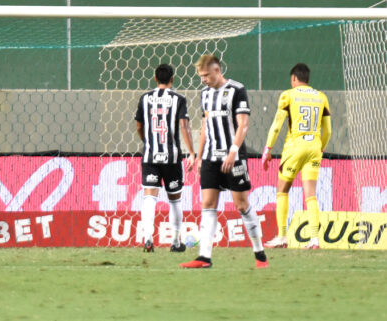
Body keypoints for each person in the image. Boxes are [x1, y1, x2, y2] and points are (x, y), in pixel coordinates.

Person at [180, 54, 268, 269]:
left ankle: (260, 255)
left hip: (233, 158)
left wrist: (233, 151)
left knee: (242, 205)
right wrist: (199, 156)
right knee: (208, 204)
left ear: (217, 70)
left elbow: (243, 124)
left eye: (206, 75)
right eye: (201, 76)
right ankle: (204, 257)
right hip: (210, 157)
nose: (204, 79)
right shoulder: (205, 93)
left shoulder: (237, 90)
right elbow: (205, 126)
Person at [262, 63, 332, 250]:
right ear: (307, 79)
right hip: (315, 147)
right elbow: (328, 131)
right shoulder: (321, 97)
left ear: (294, 78)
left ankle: (282, 236)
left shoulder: (288, 95)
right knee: (311, 195)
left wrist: (267, 149)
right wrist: (321, 148)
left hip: (295, 147)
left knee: (282, 190)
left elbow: (277, 125)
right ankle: (315, 239)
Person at [135, 63, 196, 253]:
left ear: (155, 78)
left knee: (149, 196)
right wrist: (192, 153)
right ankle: (176, 241)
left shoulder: (144, 98)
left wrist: (147, 141)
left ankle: (147, 239)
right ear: (172, 80)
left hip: (150, 155)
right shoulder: (179, 99)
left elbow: (138, 125)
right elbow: (184, 126)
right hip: (172, 157)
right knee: (175, 199)